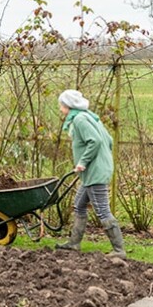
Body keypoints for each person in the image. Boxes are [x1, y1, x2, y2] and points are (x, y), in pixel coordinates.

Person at [55, 89, 126, 259]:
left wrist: (83, 162)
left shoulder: (79, 120)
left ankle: (119, 250)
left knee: (102, 210)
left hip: (94, 172)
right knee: (79, 205)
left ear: (68, 105)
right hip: (95, 170)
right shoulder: (89, 116)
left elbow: (95, 141)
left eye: (61, 105)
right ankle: (74, 243)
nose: (60, 108)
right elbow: (108, 139)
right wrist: (103, 160)